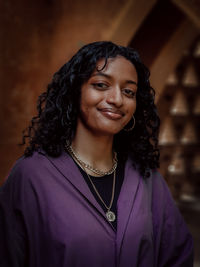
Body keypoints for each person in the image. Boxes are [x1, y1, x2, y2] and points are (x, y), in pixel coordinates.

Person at [0, 41, 193, 267]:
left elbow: (178, 256)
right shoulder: (30, 176)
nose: (117, 99)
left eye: (128, 91)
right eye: (101, 85)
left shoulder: (147, 178)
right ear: (75, 90)